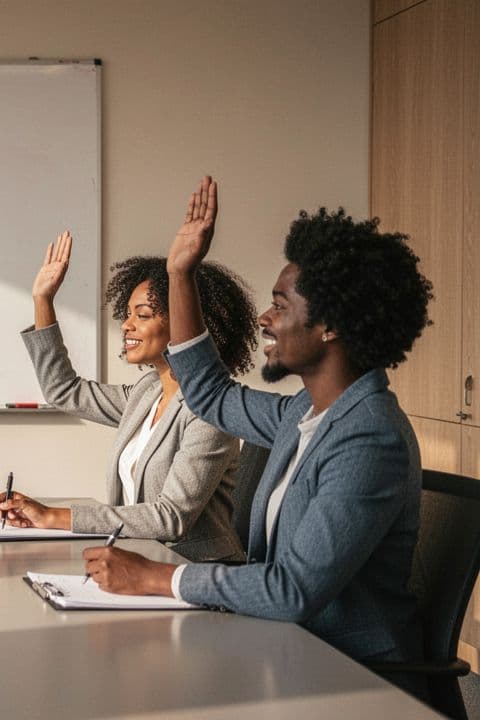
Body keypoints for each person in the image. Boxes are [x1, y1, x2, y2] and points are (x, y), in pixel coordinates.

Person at [82, 176, 431, 670]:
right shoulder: (301, 414)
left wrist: (155, 578)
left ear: (331, 325)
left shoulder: (370, 436)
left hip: (348, 672)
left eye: (281, 305)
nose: (265, 318)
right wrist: (180, 274)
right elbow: (208, 393)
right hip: (283, 647)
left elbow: (292, 589)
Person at [0, 231, 258, 561]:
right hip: (143, 566)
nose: (126, 325)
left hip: (199, 577)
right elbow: (64, 391)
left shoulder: (211, 410)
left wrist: (52, 517)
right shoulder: (148, 393)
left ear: (186, 321)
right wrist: (42, 301)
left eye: (142, 315)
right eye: (129, 313)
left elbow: (170, 518)